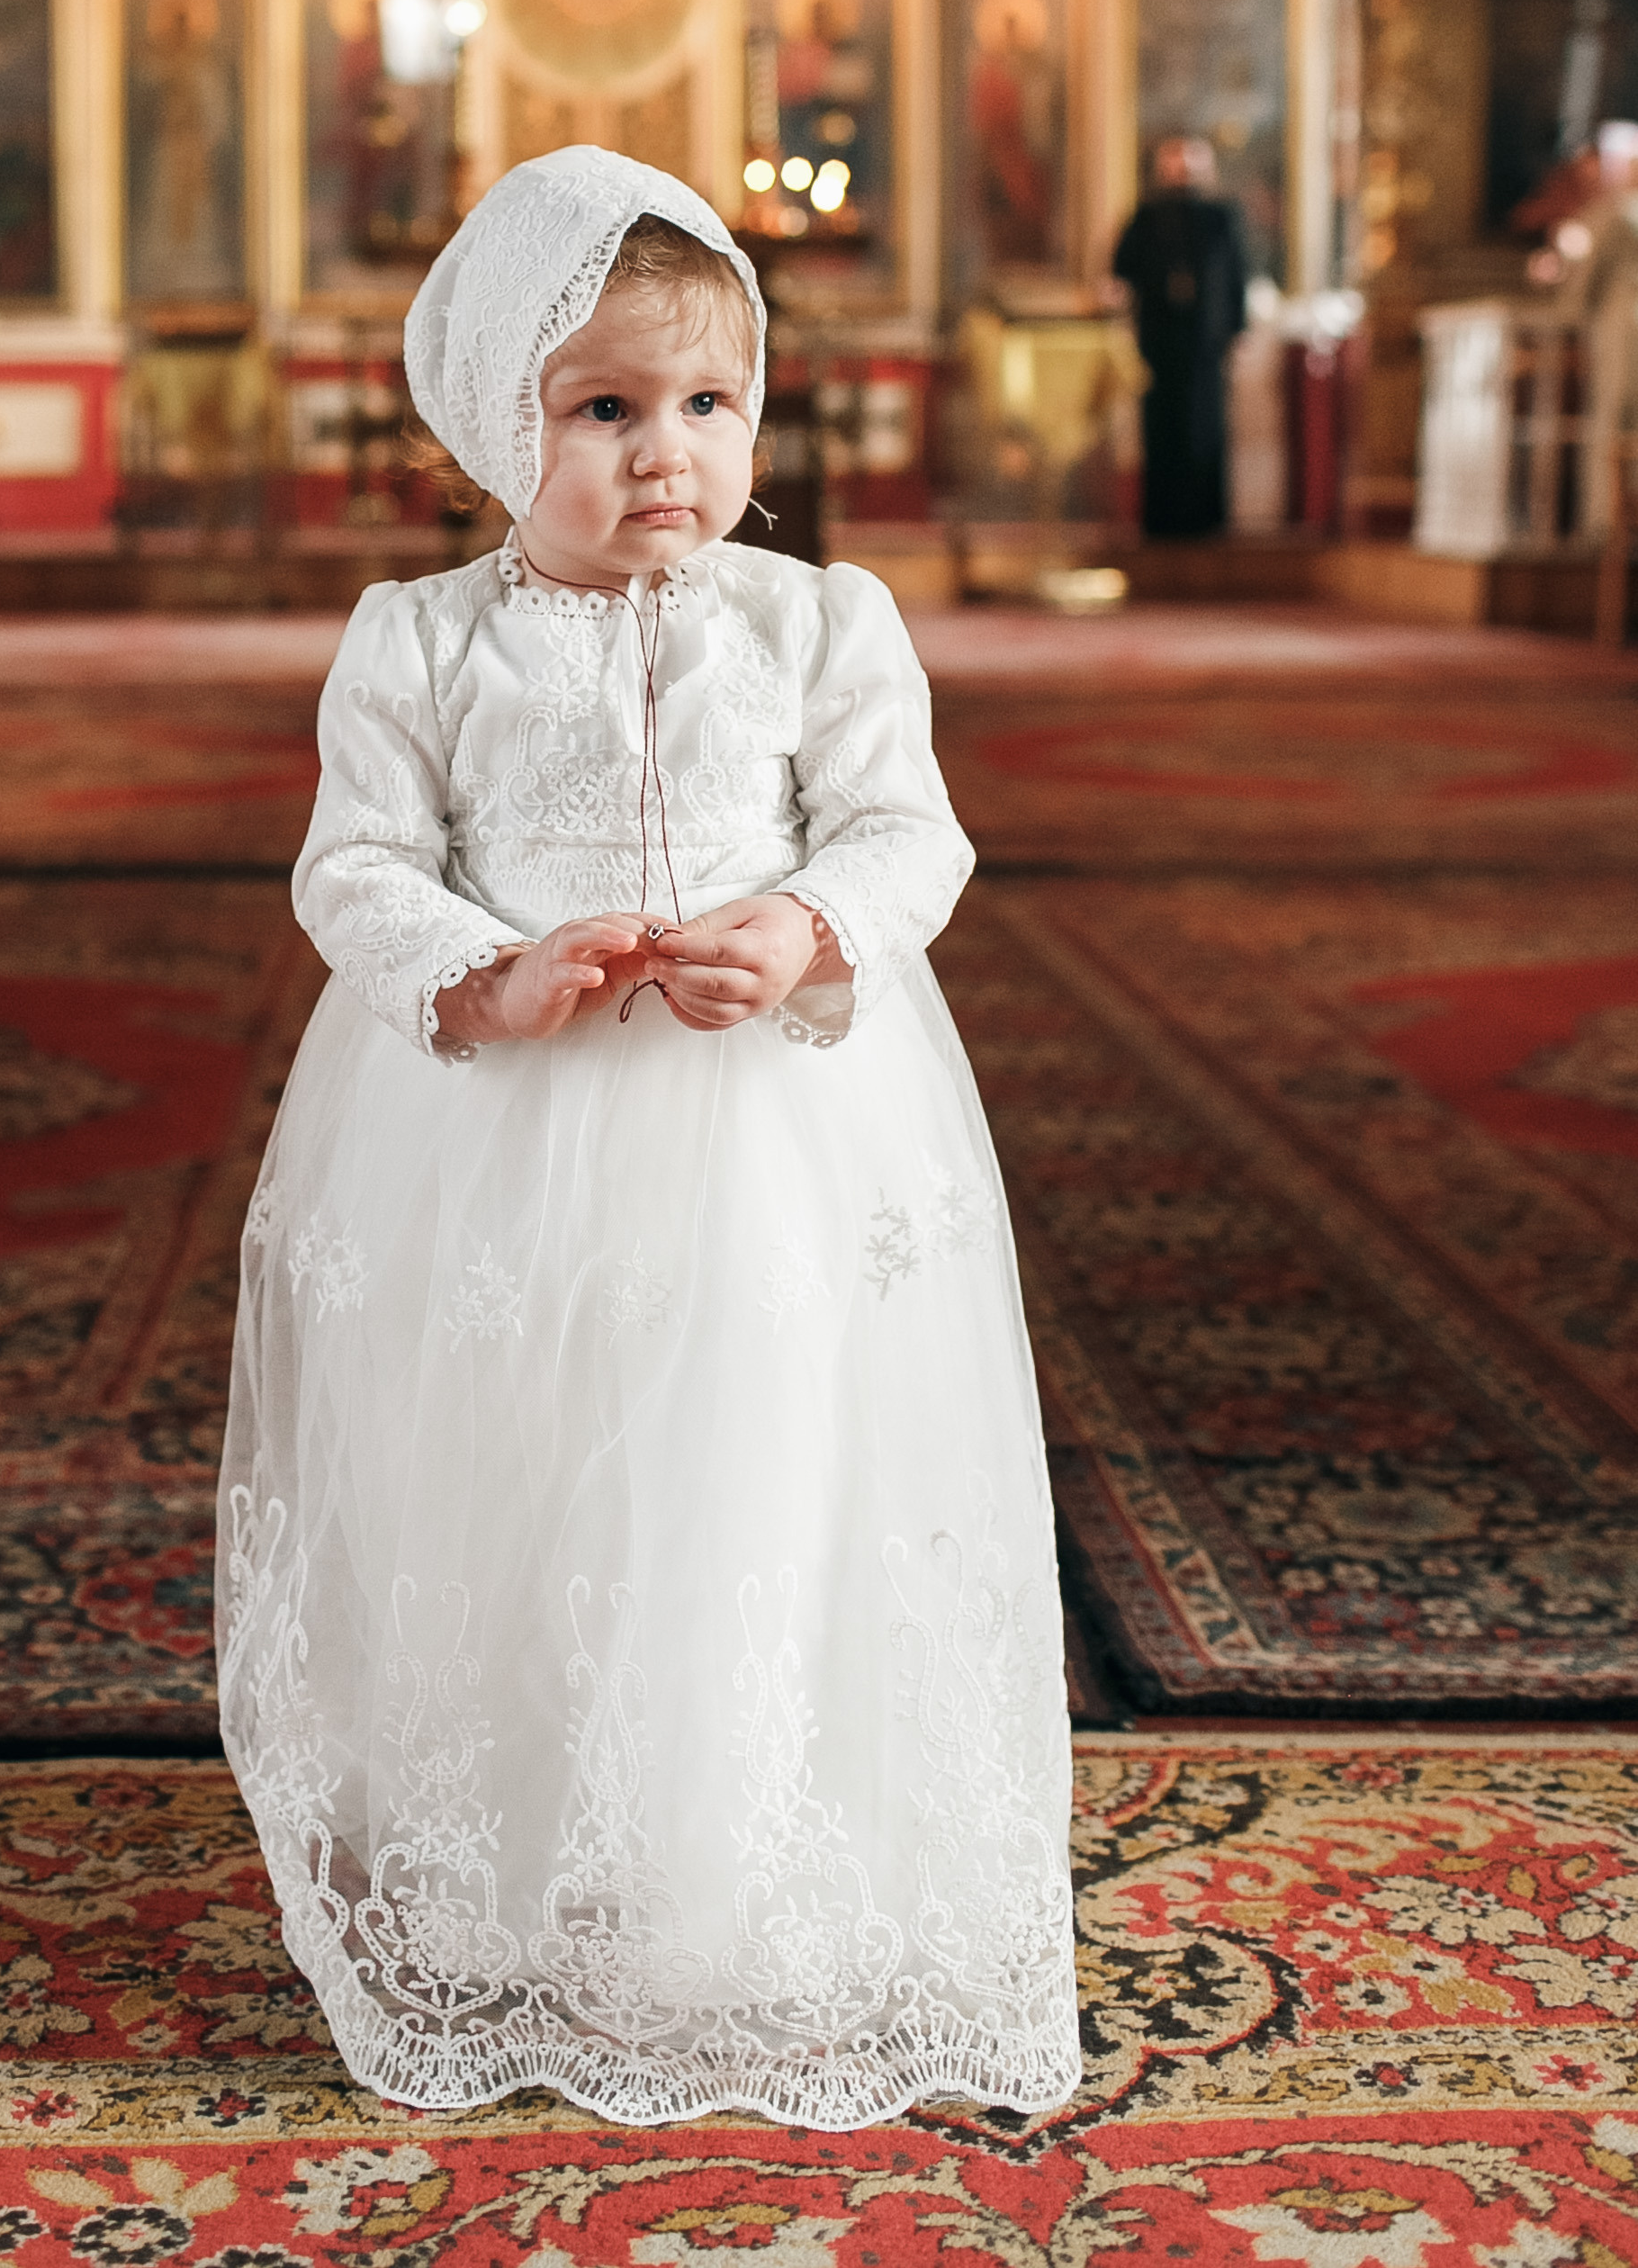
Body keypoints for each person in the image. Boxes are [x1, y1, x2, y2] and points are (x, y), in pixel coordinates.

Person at [215, 147, 1079, 2130]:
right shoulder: (421, 638)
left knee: (756, 1456)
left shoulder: (819, 619)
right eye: (601, 408)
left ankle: (737, 1856)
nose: (665, 451)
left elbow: (909, 832)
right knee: (514, 1463)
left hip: (778, 1133)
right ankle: (518, 1850)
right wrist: (484, 968)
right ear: (489, 424)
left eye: (705, 400)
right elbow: (352, 864)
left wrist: (808, 924)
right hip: (498, 1148)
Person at [1111, 133, 1250, 538]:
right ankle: (1162, 519)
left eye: (1190, 164)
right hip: (1158, 339)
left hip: (1206, 342)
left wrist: (1235, 329)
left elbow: (1236, 276)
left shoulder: (1221, 218)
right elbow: (1121, 272)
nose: (1182, 171)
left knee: (1205, 429)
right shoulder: (1144, 218)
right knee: (1162, 429)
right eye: (1175, 163)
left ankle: (1207, 519)